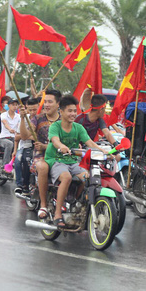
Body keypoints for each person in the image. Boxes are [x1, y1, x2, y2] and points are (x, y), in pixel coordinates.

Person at [44, 95, 105, 227]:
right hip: (56, 159)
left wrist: (103, 151)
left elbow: (89, 142)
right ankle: (58, 214)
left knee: (87, 177)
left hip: (72, 161)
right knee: (66, 177)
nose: (73, 114)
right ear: (61, 112)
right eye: (69, 111)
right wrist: (61, 146)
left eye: (74, 111)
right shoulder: (56, 126)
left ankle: (75, 201)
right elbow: (55, 140)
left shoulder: (78, 127)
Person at [21, 90, 61, 220]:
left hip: (61, 156)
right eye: (45, 102)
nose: (47, 105)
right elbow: (25, 135)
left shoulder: (64, 119)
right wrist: (22, 118)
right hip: (41, 157)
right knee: (43, 167)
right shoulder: (37, 119)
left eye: (50, 102)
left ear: (58, 104)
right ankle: (43, 205)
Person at [14, 97, 39, 195]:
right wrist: (15, 150)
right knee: (20, 159)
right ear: (27, 108)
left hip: (41, 146)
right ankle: (22, 185)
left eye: (35, 109)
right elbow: (18, 137)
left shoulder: (42, 118)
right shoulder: (25, 119)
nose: (33, 112)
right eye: (30, 110)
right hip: (26, 146)